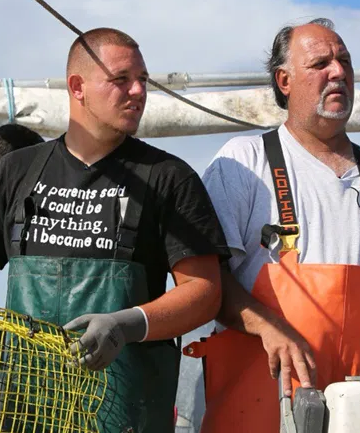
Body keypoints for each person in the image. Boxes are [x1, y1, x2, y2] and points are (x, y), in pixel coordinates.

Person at [185, 18, 360, 433]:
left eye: (344, 61)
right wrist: (267, 325)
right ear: (284, 80)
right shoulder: (243, 162)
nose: (339, 72)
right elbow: (203, 280)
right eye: (321, 63)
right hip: (258, 413)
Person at [0, 28, 229, 433]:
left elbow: (205, 292)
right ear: (78, 87)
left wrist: (127, 323)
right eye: (121, 79)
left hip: (128, 416)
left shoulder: (168, 178)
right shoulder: (17, 171)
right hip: (25, 411)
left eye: (143, 79)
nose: (139, 91)